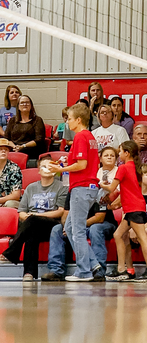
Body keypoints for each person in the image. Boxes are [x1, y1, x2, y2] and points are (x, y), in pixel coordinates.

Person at [46, 102, 101, 282]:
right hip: (88, 187)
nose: (67, 122)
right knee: (69, 228)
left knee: (77, 231)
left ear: (78, 120)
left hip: (82, 187)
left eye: (69, 119)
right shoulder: (90, 136)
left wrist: (60, 170)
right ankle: (93, 264)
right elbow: (83, 162)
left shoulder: (80, 136)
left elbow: (82, 164)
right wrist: (64, 164)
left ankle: (83, 272)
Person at [0, 159, 68, 281]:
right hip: (32, 224)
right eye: (43, 166)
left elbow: (60, 211)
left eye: (50, 166)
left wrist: (35, 215)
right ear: (39, 171)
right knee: (31, 234)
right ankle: (29, 273)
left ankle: (11, 253)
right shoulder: (31, 188)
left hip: (52, 225)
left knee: (33, 220)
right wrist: (30, 217)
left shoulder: (61, 187)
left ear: (54, 170)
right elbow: (21, 212)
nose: (47, 168)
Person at [103, 141, 147, 282]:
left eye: (120, 151)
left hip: (133, 208)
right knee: (118, 235)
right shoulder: (136, 167)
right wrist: (116, 204)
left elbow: (111, 188)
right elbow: (128, 190)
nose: (119, 154)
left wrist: (99, 183)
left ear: (127, 153)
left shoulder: (123, 168)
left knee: (142, 238)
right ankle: (122, 269)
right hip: (133, 208)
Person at [42, 186, 116, 282]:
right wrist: (66, 226)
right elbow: (65, 214)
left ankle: (99, 271)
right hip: (79, 225)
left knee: (95, 229)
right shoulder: (73, 190)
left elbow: (99, 217)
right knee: (57, 229)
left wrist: (77, 226)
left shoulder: (95, 190)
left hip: (102, 224)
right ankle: (56, 270)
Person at [4, 95, 47, 166]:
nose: (25, 104)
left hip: (31, 151)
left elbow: (39, 139)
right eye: (22, 103)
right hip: (14, 150)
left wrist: (23, 146)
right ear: (18, 106)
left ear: (31, 105)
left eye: (27, 102)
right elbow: (7, 138)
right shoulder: (12, 120)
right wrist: (14, 147)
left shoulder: (37, 120)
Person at [0, 138, 23, 209]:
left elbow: (16, 195)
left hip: (10, 202)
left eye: (6, 149)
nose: (3, 151)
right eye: (0, 149)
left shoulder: (14, 168)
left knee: (9, 203)